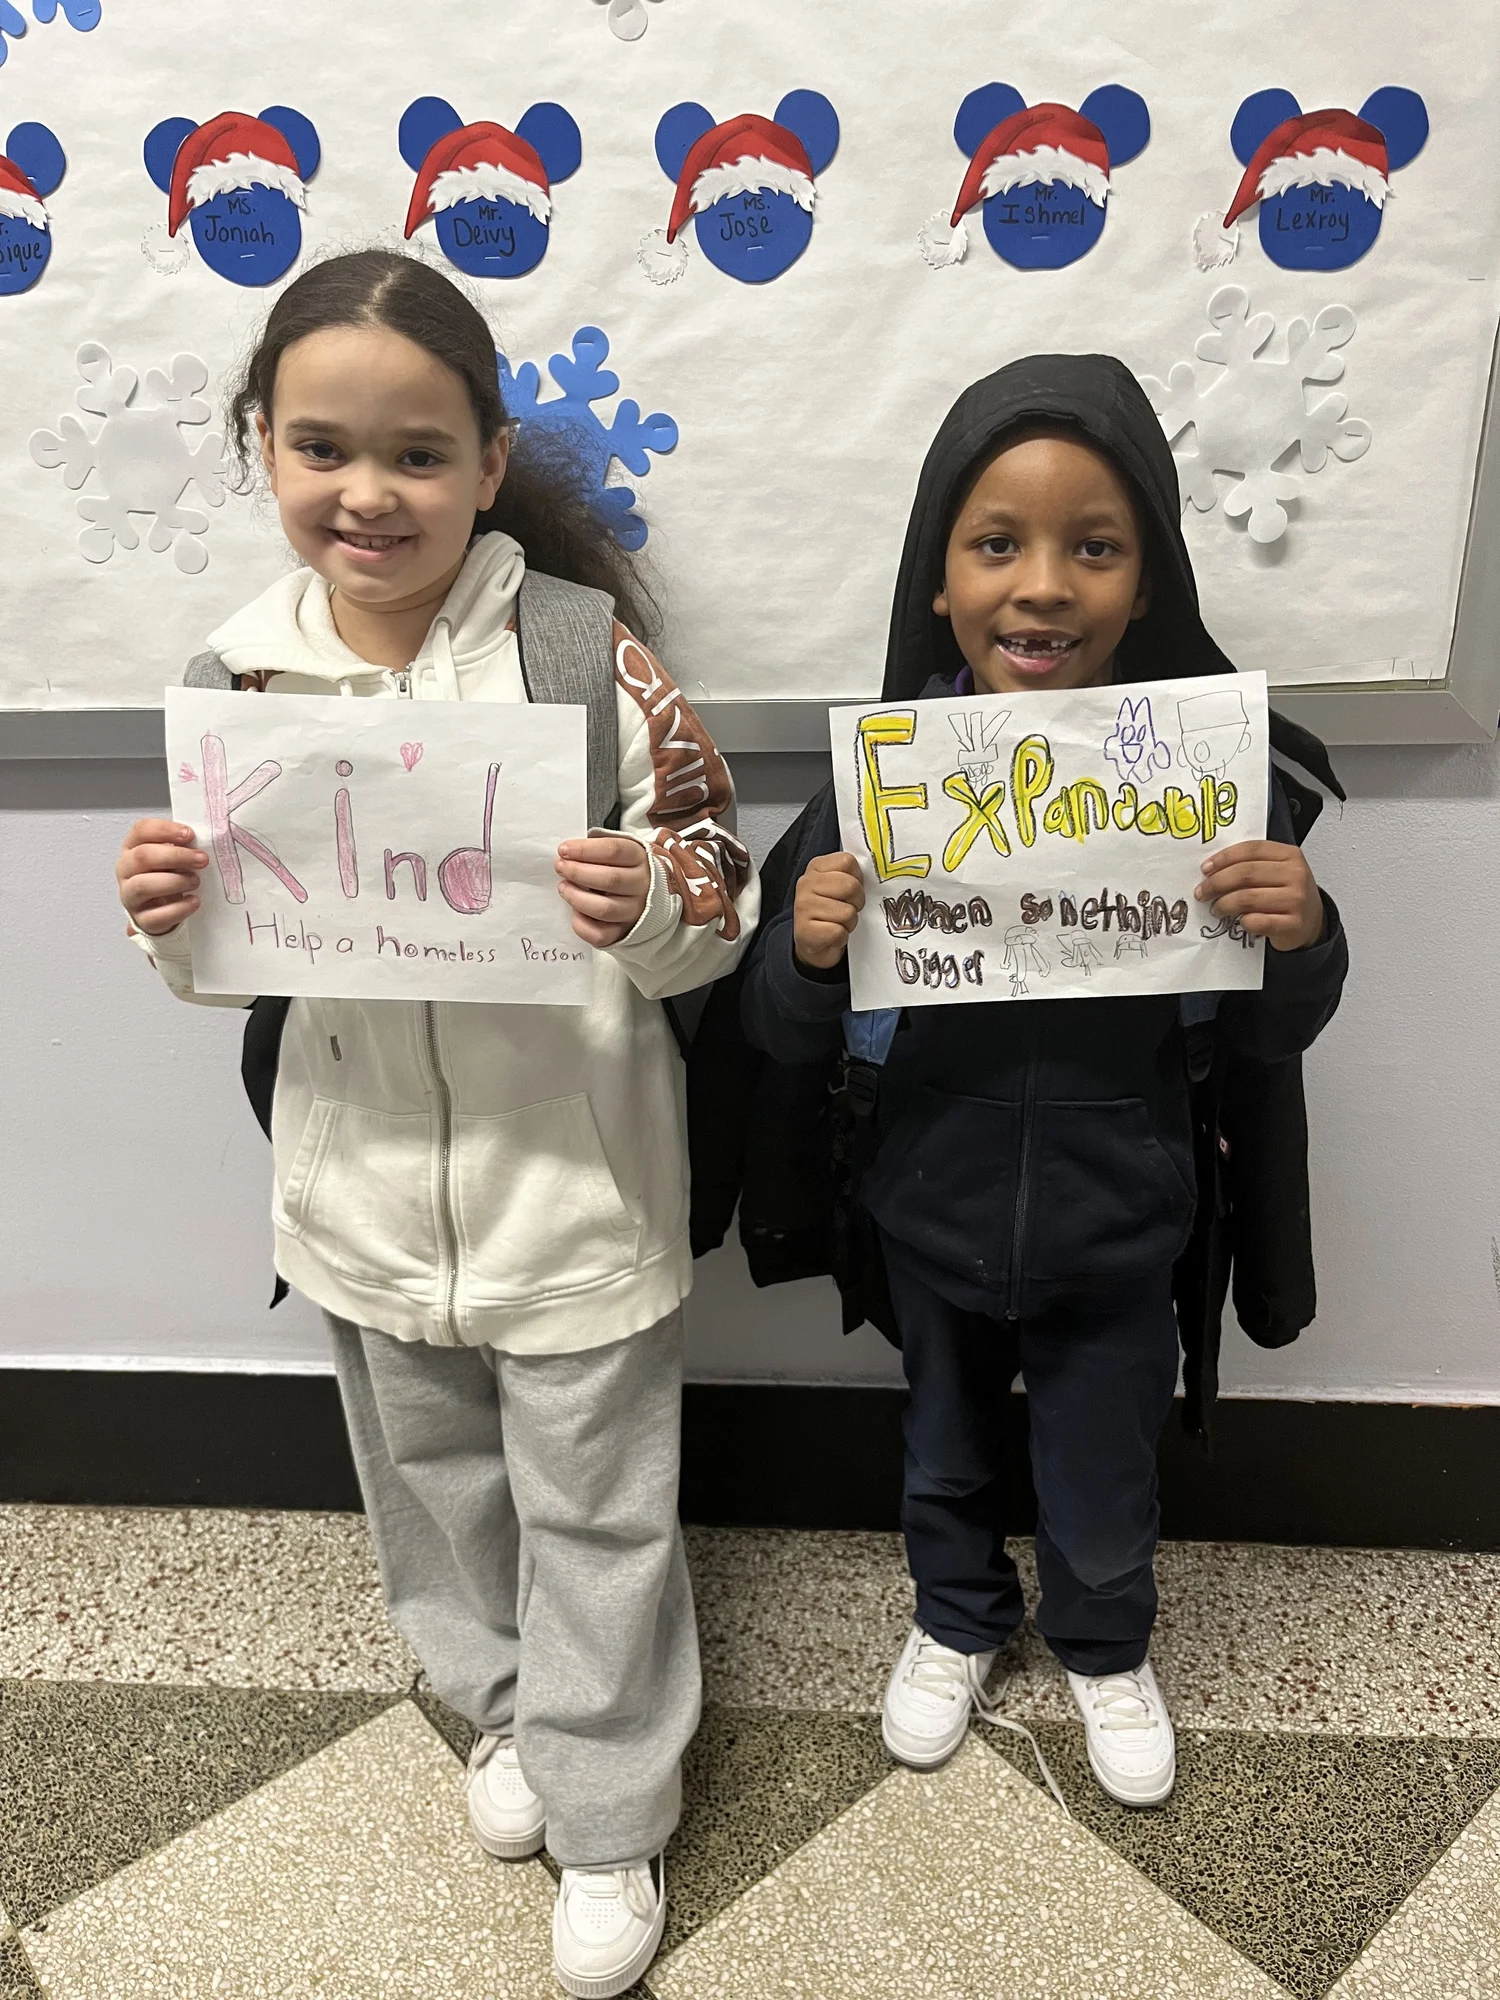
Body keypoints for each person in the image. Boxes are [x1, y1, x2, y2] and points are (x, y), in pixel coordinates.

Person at [113, 249, 758, 1998]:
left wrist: (653, 902)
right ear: (264, 451)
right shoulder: (234, 680)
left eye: (416, 451)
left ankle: (613, 1809)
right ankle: (498, 1715)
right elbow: (234, 972)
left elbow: (724, 875)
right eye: (322, 446)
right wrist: (175, 917)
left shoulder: (579, 653)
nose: (366, 491)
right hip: (364, 1194)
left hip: (577, 1190)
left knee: (600, 1512)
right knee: (436, 1493)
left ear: (486, 461)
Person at [736, 354, 1347, 1809]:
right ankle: (955, 1617)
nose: (1044, 585)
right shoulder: (878, 787)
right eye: (997, 543)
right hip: (929, 1210)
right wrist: (807, 953)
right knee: (939, 1449)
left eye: (1095, 545)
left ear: (1147, 584)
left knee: (1102, 1467)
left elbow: (1270, 1041)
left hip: (1124, 1218)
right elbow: (772, 1035)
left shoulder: (1208, 791)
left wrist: (1302, 933)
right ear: (936, 581)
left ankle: (1103, 1641)